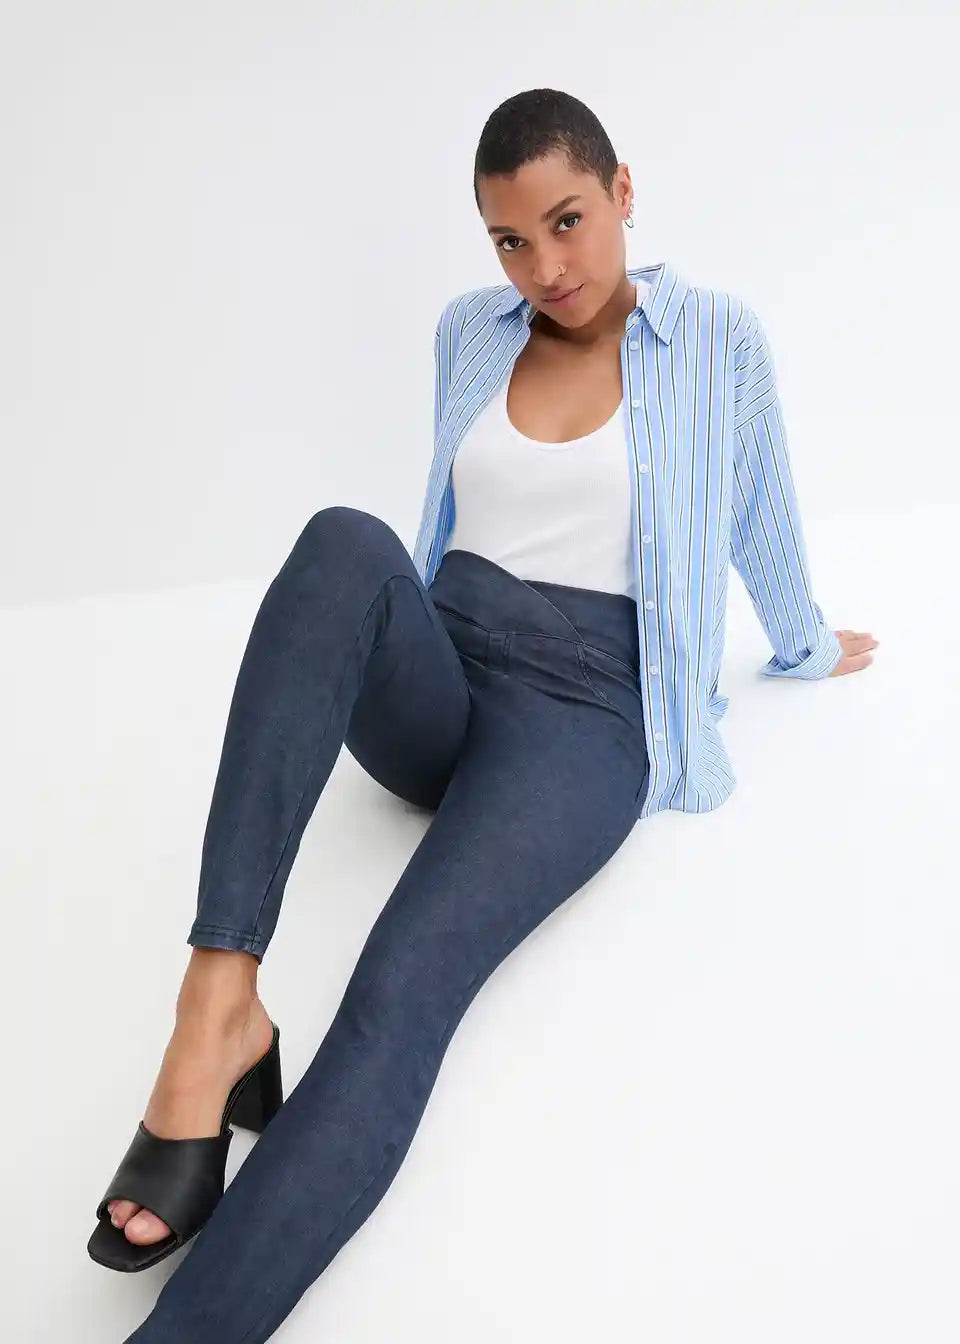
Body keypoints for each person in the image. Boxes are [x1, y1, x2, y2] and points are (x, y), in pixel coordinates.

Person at [88, 88, 878, 1341]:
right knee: (342, 542)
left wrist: (806, 643)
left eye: (567, 221)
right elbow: (442, 526)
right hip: (448, 659)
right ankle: (216, 1006)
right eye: (512, 240)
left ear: (623, 192)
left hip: (584, 711)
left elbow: (762, 509)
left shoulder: (718, 338)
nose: (544, 267)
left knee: (401, 985)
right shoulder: (470, 329)